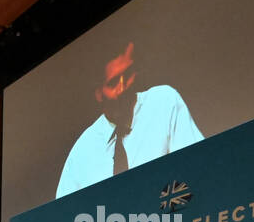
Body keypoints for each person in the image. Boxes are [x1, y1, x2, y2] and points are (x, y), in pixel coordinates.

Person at [56, 41, 203, 198]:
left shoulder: (164, 102)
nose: (123, 88)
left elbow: (197, 168)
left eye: (127, 75)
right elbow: (63, 216)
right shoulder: (82, 151)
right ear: (98, 93)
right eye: (113, 83)